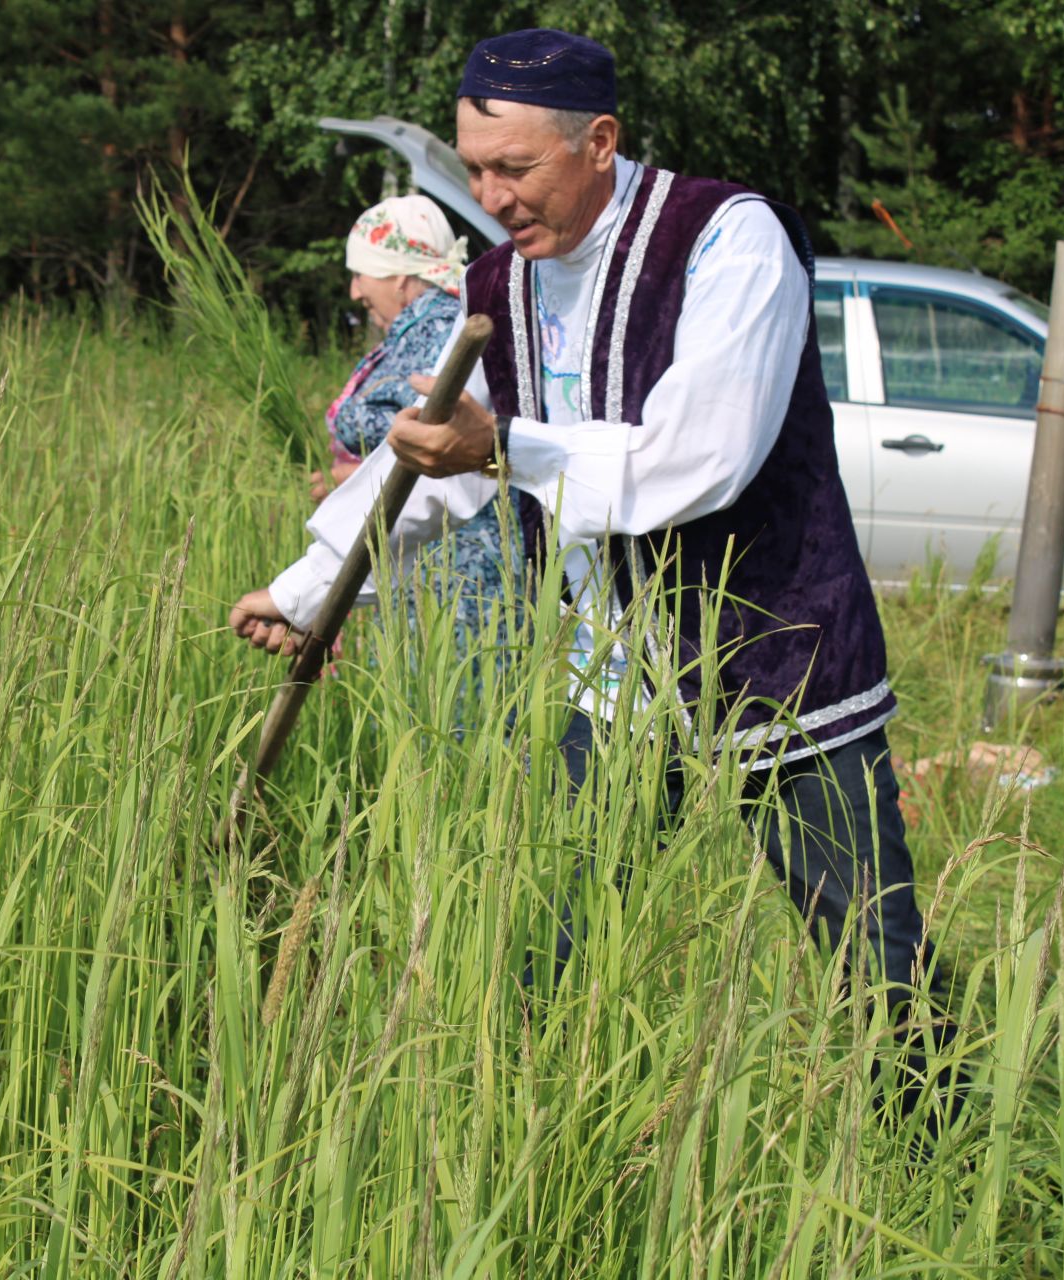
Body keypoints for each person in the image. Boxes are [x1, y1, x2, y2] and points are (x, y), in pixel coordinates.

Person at [229, 29, 951, 1113]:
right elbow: (426, 462)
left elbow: (695, 460)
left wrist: (502, 447)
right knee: (545, 953)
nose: (492, 195)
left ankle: (944, 1158)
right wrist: (309, 592)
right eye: (475, 168)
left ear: (599, 141)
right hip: (616, 681)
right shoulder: (493, 285)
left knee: (875, 956)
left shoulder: (728, 242)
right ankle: (529, 1148)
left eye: (514, 168)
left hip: (778, 662)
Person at [304, 194, 516, 663]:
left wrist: (347, 478)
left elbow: (438, 439)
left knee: (449, 712)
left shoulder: (439, 331)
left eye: (361, 274)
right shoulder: (411, 332)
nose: (355, 292)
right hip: (421, 558)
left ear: (400, 277)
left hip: (454, 569)